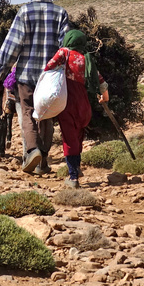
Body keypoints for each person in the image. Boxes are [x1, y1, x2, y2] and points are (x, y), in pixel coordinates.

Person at [0, 0, 70, 175]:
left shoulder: (24, 11)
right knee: (46, 115)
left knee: (27, 112)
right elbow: (65, 47)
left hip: (26, 74)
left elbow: (12, 44)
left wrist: (0, 72)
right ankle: (43, 157)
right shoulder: (60, 13)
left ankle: (32, 149)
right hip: (50, 77)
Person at [43, 29, 109, 188]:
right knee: (78, 135)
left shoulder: (64, 52)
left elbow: (48, 67)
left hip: (67, 102)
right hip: (84, 104)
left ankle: (73, 177)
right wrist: (105, 97)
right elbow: (100, 81)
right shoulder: (87, 59)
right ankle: (77, 168)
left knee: (69, 138)